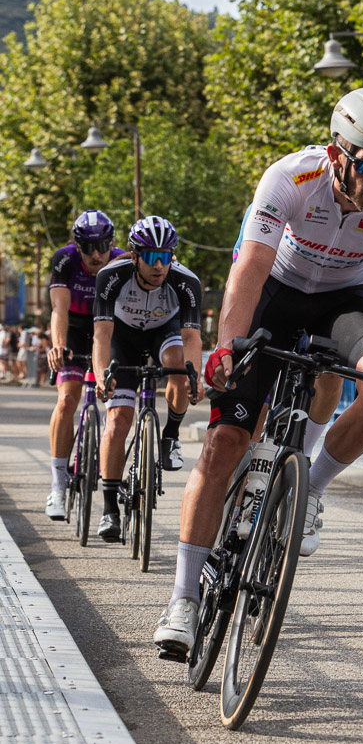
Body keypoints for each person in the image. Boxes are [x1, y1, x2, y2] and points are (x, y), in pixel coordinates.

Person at [153, 87, 363, 655]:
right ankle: (182, 598)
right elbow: (250, 268)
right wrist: (228, 348)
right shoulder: (289, 177)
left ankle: (311, 489)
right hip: (275, 292)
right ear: (338, 154)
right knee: (225, 441)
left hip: (345, 300)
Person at [93, 215, 204, 542]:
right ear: (134, 255)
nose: (160, 266)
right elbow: (101, 335)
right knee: (117, 422)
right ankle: (110, 508)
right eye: (152, 257)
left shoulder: (186, 281)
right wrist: (102, 376)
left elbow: (193, 339)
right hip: (121, 339)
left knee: (179, 365)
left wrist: (193, 377)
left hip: (163, 334)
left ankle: (170, 435)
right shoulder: (111, 275)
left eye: (167, 257)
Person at [45, 210, 124, 520]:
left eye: (102, 246)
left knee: (116, 404)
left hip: (111, 328)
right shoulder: (64, 259)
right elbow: (58, 309)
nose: (96, 254)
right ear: (76, 246)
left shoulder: (121, 261)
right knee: (67, 398)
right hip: (75, 327)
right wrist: (58, 345)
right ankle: (57, 486)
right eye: (88, 247)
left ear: (112, 243)